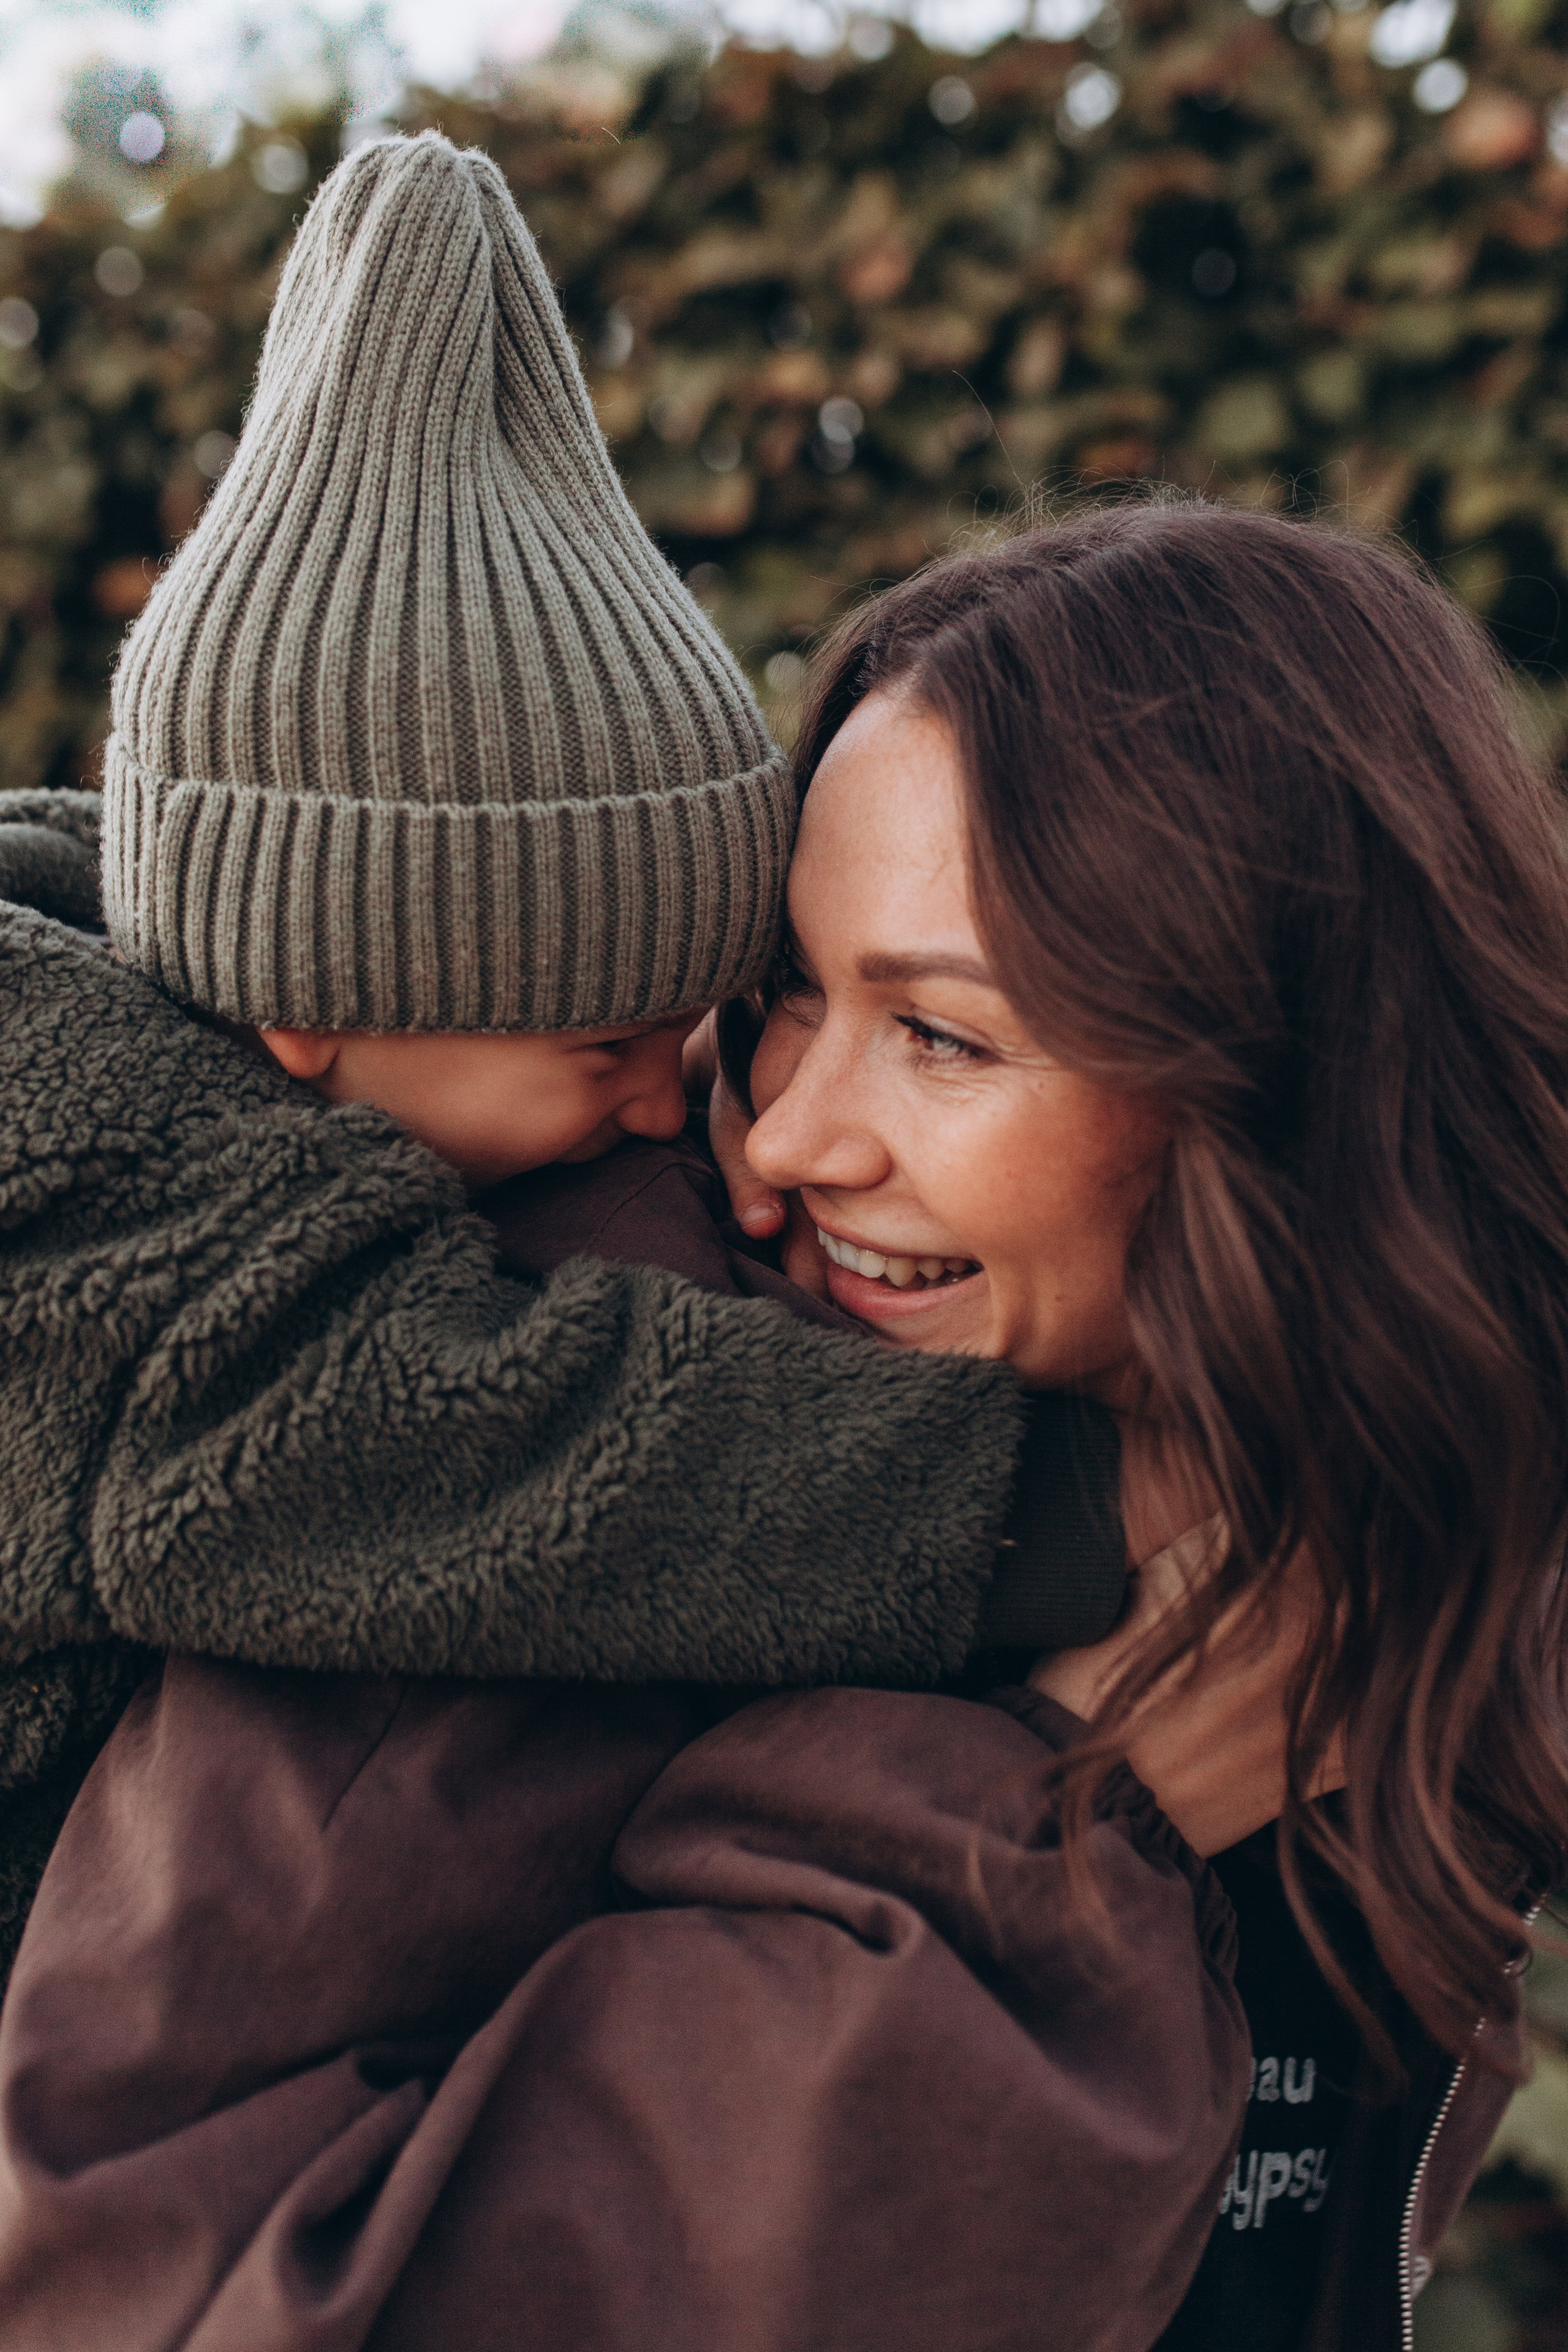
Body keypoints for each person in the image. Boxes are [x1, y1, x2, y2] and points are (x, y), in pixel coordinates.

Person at [9, 499, 1564, 2352]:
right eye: (787, 1000)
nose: (784, 1138)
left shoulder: (1416, 1524)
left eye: (944, 1037)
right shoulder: (544, 1494)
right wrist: (1050, 1837)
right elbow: (137, 2297)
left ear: (1309, 1092)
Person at [0, 134, 1126, 1992]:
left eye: (698, 1028)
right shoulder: (88, 1221)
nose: (681, 1105)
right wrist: (1071, 1502)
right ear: (314, 1007)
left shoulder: (223, 1051)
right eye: (606, 1046)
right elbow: (516, 1449)